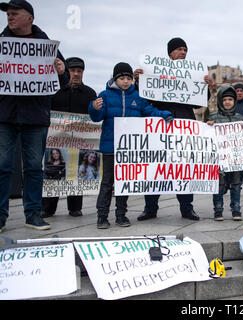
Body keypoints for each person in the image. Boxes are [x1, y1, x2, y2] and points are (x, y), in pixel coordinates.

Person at [0, 0, 69, 232]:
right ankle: (0, 216)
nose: (9, 17)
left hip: (35, 116)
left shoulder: (46, 47)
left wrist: (61, 71)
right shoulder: (1, 44)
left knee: (33, 167)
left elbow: (64, 80)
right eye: (8, 14)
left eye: (14, 13)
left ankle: (33, 214)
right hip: (5, 115)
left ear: (29, 18)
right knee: (2, 166)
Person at [134, 37, 213, 221]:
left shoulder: (192, 74)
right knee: (156, 166)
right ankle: (150, 208)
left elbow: (197, 103)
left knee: (184, 167)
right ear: (170, 53)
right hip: (161, 125)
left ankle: (187, 208)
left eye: (185, 49)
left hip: (185, 126)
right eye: (179, 49)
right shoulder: (156, 72)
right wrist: (139, 80)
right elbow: (144, 96)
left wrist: (205, 86)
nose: (183, 52)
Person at [89, 62, 173, 229]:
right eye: (122, 78)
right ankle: (102, 216)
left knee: (124, 183)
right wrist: (94, 108)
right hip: (110, 148)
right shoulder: (105, 95)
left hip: (128, 150)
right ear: (115, 79)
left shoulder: (138, 98)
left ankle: (121, 215)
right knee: (107, 183)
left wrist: (165, 115)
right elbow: (97, 117)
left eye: (128, 78)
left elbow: (151, 112)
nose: (126, 81)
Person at [41, 57, 97, 218]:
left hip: (79, 140)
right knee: (53, 171)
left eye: (79, 71)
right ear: (67, 72)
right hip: (56, 140)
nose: (76, 74)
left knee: (76, 172)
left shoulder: (89, 93)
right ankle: (48, 208)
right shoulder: (55, 90)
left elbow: (92, 117)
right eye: (73, 71)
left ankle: (75, 207)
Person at [207, 86, 243, 221]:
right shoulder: (213, 117)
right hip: (219, 159)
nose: (228, 102)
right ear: (220, 101)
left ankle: (236, 209)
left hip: (236, 158)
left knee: (236, 184)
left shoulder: (241, 118)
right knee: (219, 184)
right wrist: (208, 126)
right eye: (225, 100)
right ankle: (218, 210)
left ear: (234, 101)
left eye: (230, 99)